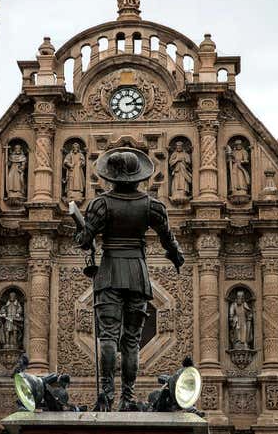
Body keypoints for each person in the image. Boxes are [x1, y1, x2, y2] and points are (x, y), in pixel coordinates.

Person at [74, 148, 184, 412]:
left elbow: (84, 241)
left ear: (111, 176)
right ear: (138, 176)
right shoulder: (152, 206)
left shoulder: (100, 204)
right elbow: (169, 240)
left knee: (109, 337)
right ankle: (127, 398)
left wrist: (81, 230)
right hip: (137, 273)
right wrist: (177, 257)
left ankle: (106, 397)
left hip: (110, 272)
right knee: (132, 340)